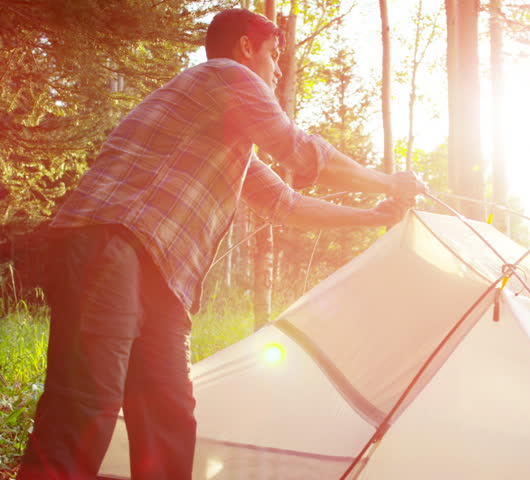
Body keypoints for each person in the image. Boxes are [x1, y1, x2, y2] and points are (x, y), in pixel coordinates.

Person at [18, 8, 424, 480]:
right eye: (274, 56)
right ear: (246, 47)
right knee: (87, 405)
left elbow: (284, 203)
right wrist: (389, 183)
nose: (277, 70)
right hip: (112, 239)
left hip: (162, 276)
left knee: (169, 415)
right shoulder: (225, 75)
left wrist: (370, 218)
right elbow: (297, 147)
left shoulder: (223, 128)